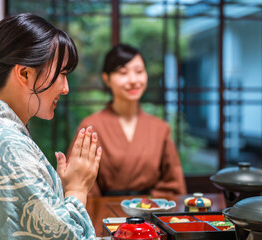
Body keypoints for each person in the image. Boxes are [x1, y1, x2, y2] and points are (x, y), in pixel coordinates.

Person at [0, 13, 101, 240]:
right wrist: (77, 189)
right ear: (25, 73)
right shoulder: (5, 145)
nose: (65, 88)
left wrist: (58, 190)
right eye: (62, 74)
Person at [68, 44, 186, 198]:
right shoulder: (91, 126)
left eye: (139, 71)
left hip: (150, 212)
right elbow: (79, 183)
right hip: (104, 214)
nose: (133, 80)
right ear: (107, 79)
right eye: (123, 72)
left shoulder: (160, 128)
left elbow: (174, 184)